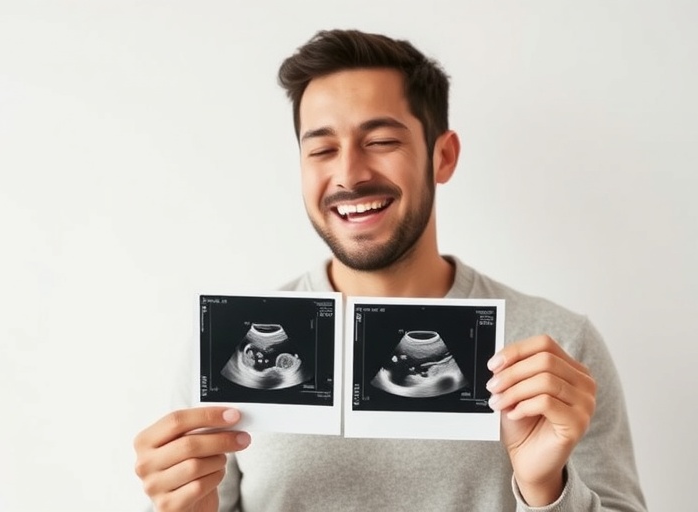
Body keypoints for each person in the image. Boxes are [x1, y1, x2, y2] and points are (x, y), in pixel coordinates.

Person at [133, 29, 647, 511]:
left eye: (381, 141)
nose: (350, 173)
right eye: (322, 149)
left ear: (442, 157)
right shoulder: (224, 347)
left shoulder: (556, 347)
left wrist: (544, 490)